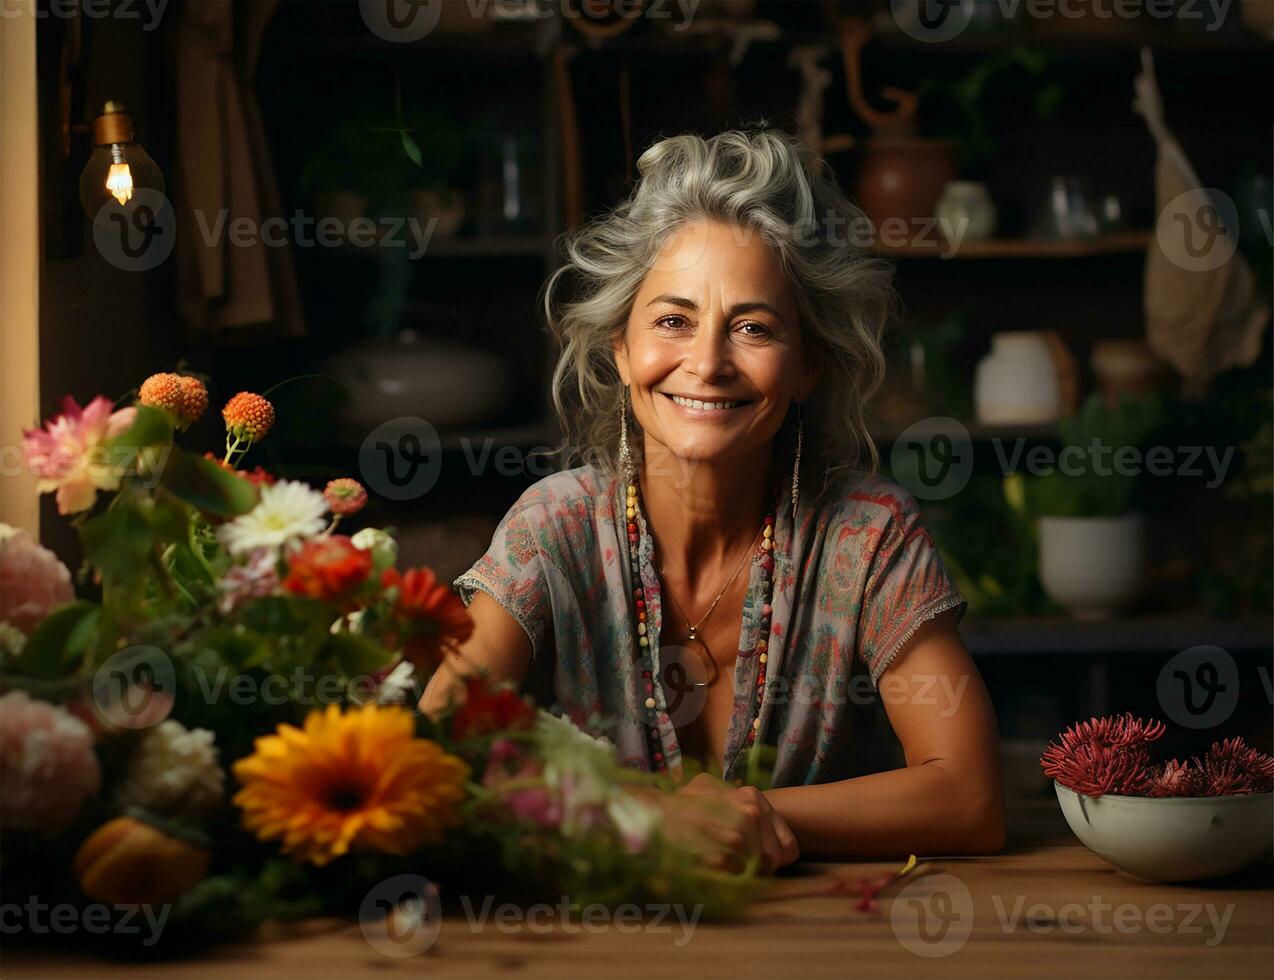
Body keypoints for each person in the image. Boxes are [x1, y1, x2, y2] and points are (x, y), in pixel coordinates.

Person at [421, 128, 1004, 873]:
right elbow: (438, 746)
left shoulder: (867, 535)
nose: (706, 363)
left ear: (808, 367)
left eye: (753, 328)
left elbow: (970, 798)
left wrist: (752, 815)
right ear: (621, 350)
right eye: (672, 320)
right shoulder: (554, 526)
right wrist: (646, 816)